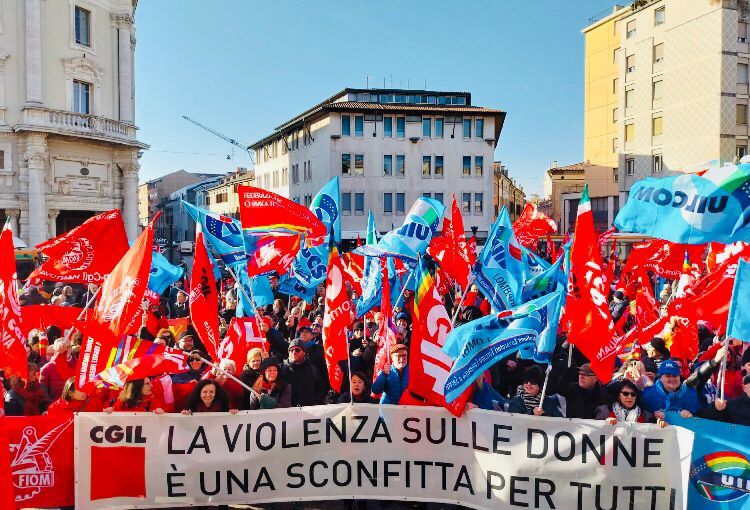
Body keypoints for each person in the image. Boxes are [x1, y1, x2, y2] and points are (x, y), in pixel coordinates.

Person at [639, 347, 725, 418]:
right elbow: (638, 415)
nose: (672, 379)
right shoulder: (648, 393)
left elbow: (700, 416)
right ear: (661, 377)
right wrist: (653, 417)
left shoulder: (689, 392)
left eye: (675, 375)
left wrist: (714, 407)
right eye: (668, 375)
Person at [595, 379, 663, 426]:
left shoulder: (645, 415)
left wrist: (659, 424)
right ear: (619, 395)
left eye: (633, 394)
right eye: (625, 393)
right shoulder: (604, 411)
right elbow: (594, 432)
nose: (630, 397)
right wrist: (604, 424)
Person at [280, 339, 326, 406]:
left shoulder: (313, 369)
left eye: (297, 350)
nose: (294, 352)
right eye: (291, 350)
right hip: (286, 413)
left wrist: (314, 403)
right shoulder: (281, 369)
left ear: (304, 352)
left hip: (309, 413)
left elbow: (321, 390)